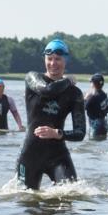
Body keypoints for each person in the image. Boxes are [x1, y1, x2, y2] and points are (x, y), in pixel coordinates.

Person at [16, 39, 86, 189]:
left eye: (58, 59)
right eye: (50, 59)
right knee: (26, 201)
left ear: (65, 60)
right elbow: (48, 90)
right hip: (31, 154)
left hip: (58, 155)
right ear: (45, 60)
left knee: (70, 194)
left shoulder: (75, 93)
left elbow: (80, 133)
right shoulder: (32, 78)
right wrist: (68, 80)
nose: (53, 63)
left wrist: (57, 133)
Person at [85, 73, 108, 139]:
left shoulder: (92, 96)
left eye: (90, 82)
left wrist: (85, 98)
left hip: (95, 124)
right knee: (101, 143)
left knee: (93, 142)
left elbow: (83, 107)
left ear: (93, 83)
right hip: (104, 124)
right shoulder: (104, 95)